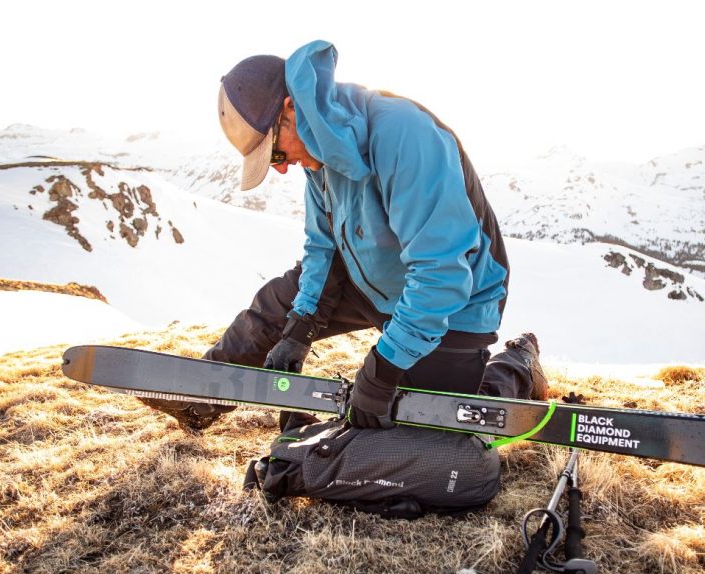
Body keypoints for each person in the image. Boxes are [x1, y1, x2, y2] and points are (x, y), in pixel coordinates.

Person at [142, 40, 547, 432]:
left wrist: (385, 366)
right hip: (375, 282)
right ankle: (200, 400)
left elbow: (441, 272)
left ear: (290, 110)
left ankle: (517, 365)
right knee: (274, 306)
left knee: (430, 417)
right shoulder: (317, 158)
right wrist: (300, 326)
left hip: (454, 303)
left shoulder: (403, 135)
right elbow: (322, 248)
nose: (280, 168)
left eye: (275, 153)